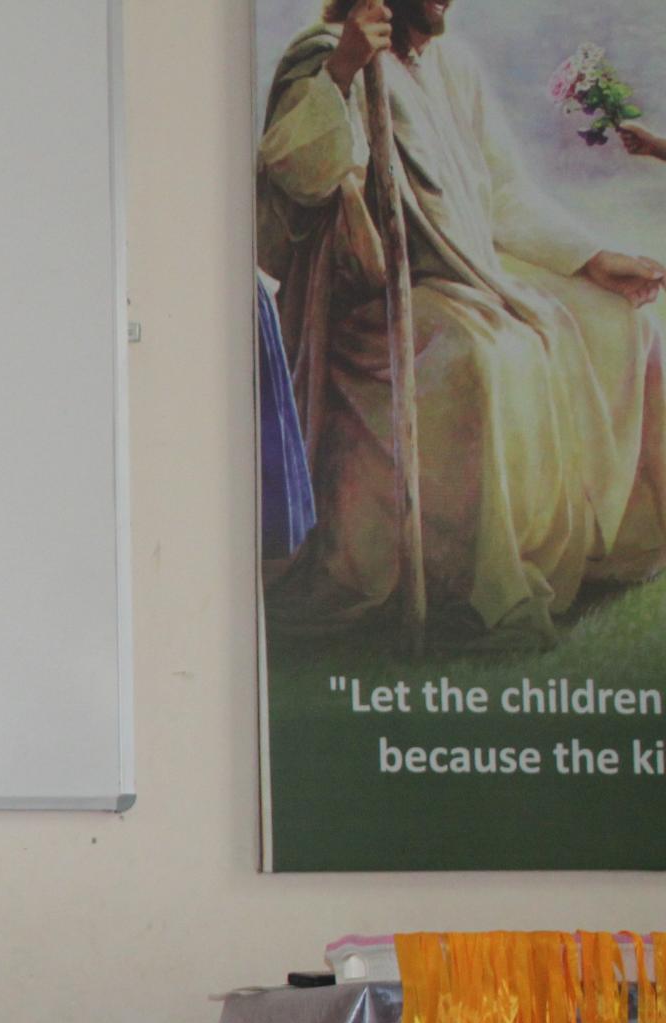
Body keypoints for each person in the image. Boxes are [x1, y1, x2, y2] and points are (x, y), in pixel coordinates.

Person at [259, 0, 666, 642]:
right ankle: (486, 592)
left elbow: (504, 194)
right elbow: (296, 178)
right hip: (372, 304)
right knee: (479, 355)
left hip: (471, 270)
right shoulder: (327, 53)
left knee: (622, 321)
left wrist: (592, 258)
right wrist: (343, 71)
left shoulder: (454, 64)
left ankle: (617, 546)